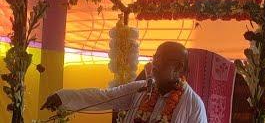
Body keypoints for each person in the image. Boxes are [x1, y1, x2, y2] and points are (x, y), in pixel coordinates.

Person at [41, 41, 207, 123]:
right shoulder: (140, 90)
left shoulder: (193, 105)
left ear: (178, 68)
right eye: (154, 57)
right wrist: (62, 97)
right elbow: (103, 97)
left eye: (160, 59)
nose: (153, 64)